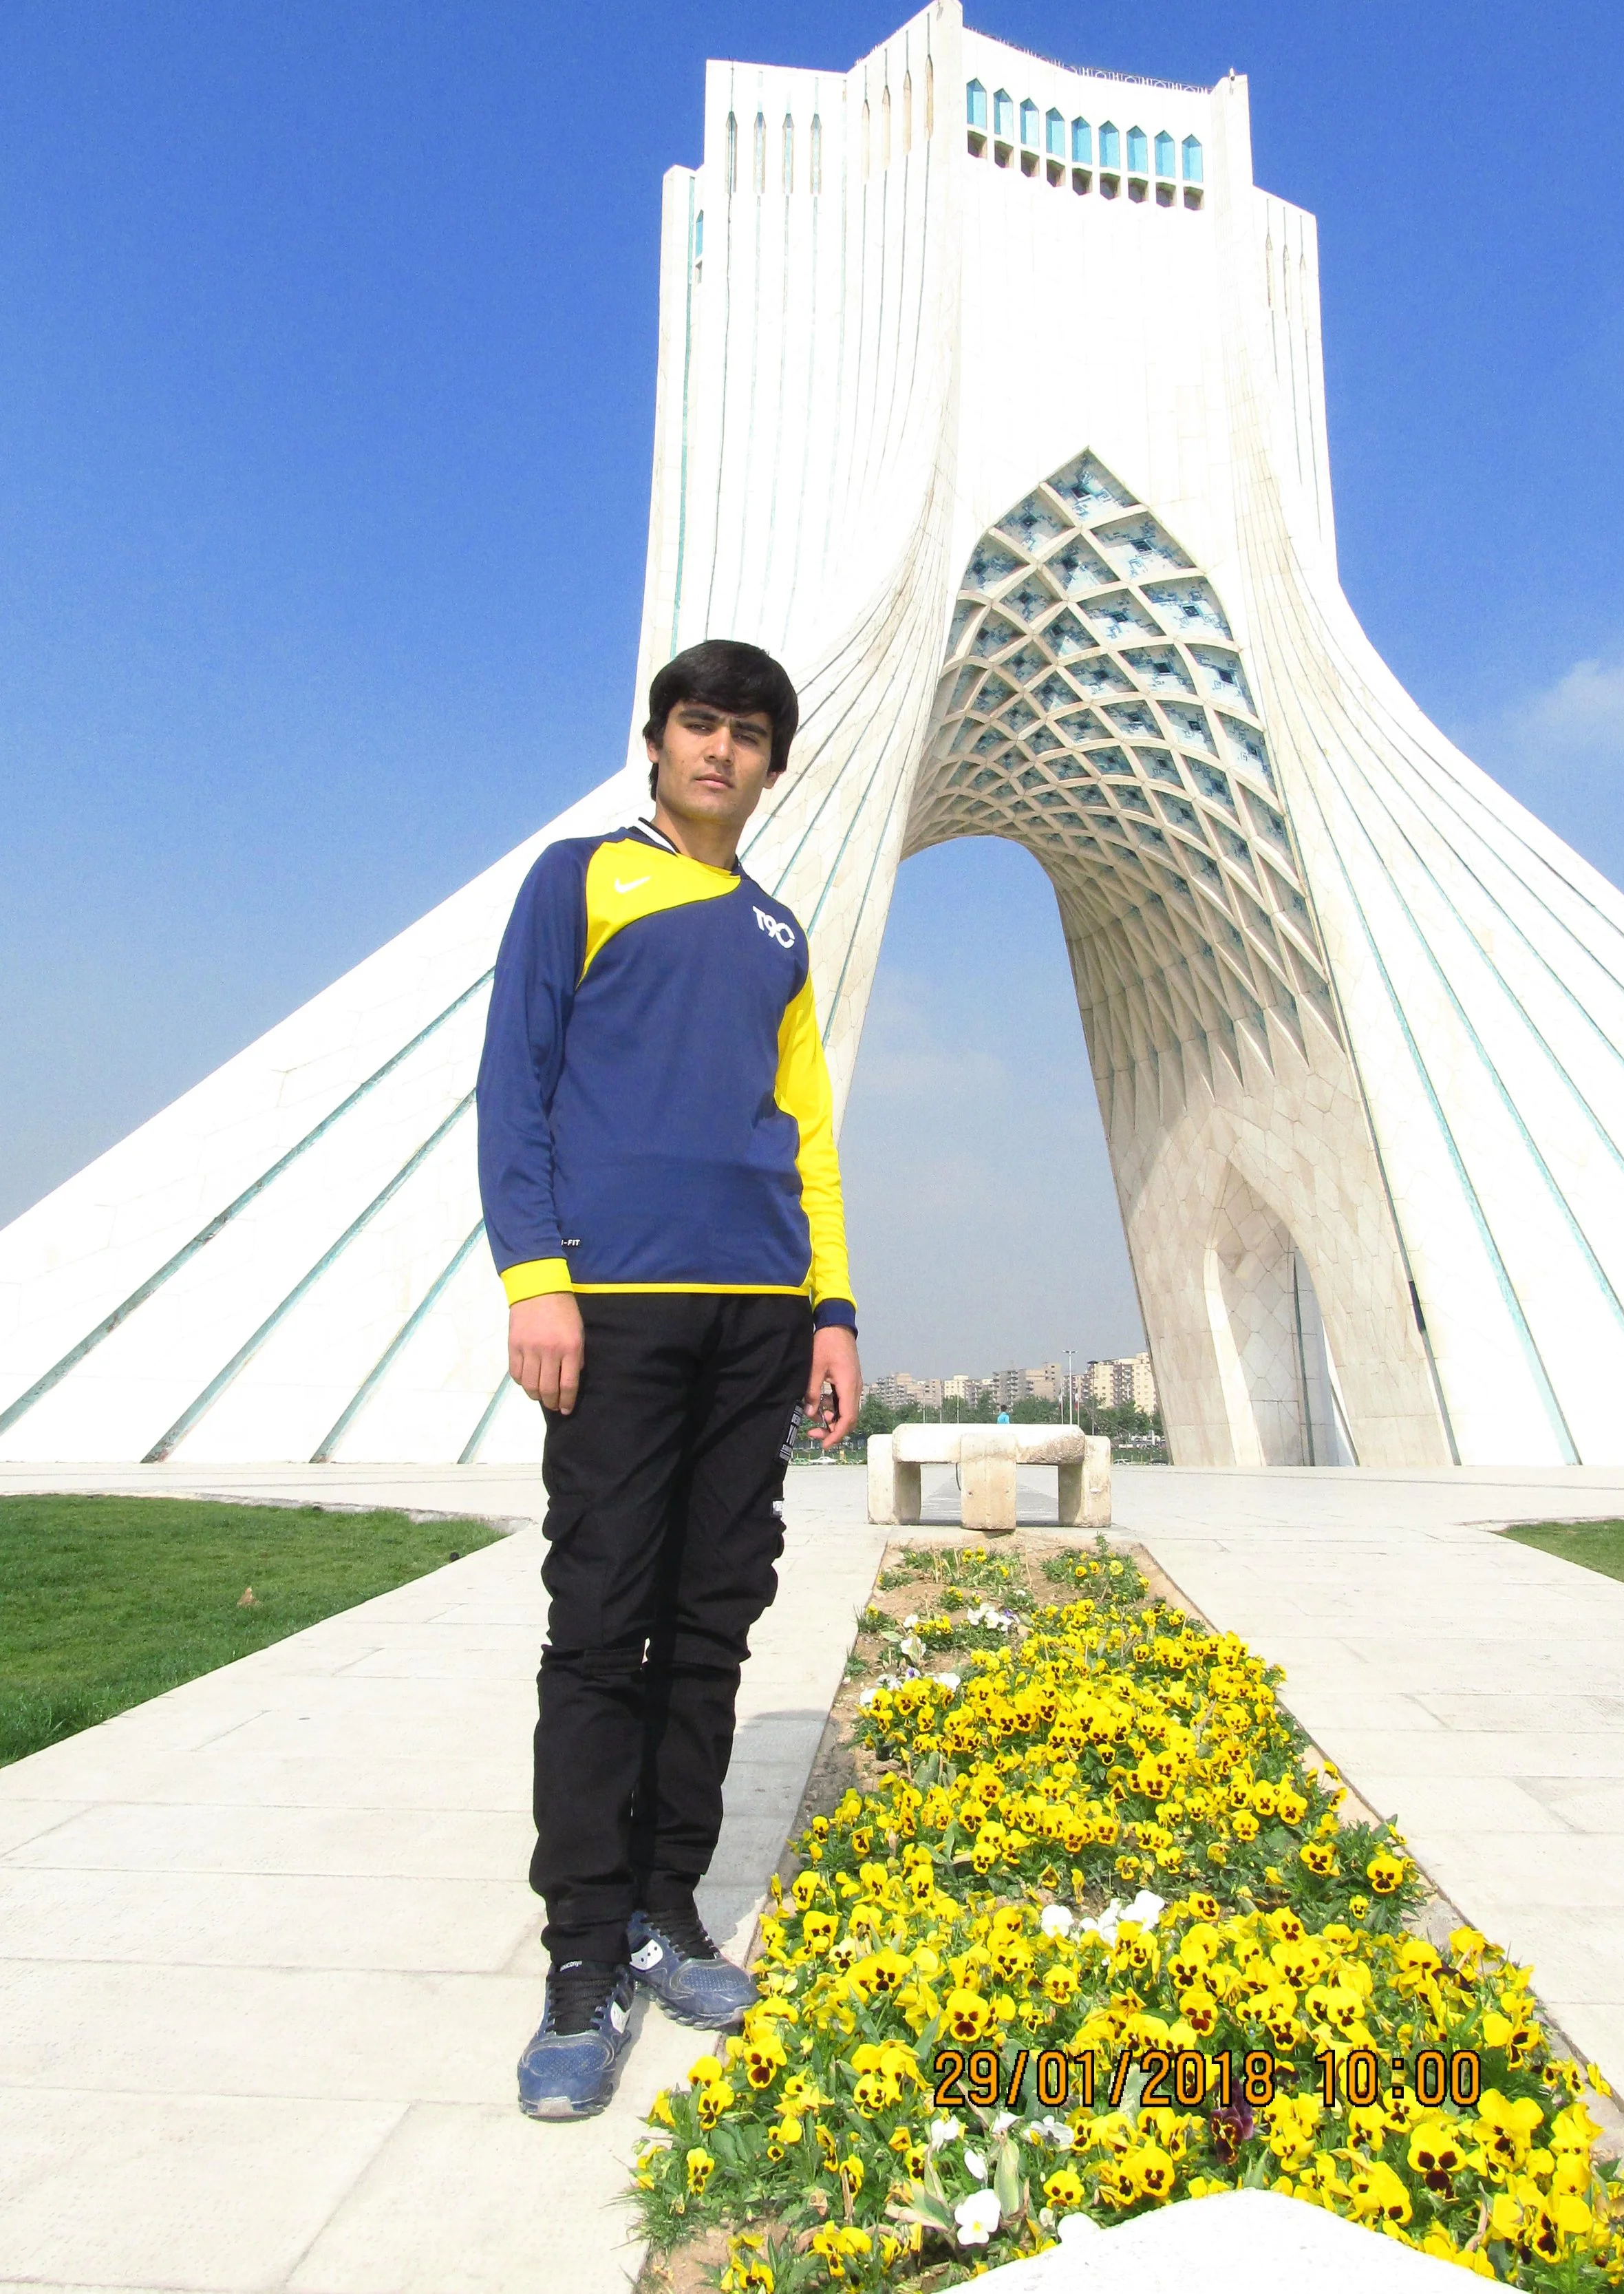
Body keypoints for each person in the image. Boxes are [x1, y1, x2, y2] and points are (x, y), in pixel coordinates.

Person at [476, 638, 862, 2120]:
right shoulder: (581, 879)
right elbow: (516, 1080)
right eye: (698, 722)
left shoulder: (778, 934)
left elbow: (808, 1134)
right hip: (616, 1308)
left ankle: (664, 1908)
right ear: (656, 741)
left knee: (710, 1621)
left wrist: (828, 1311)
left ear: (770, 764)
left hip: (758, 1311)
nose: (719, 750)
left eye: (748, 732)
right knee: (600, 1621)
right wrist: (536, 1276)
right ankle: (582, 1957)